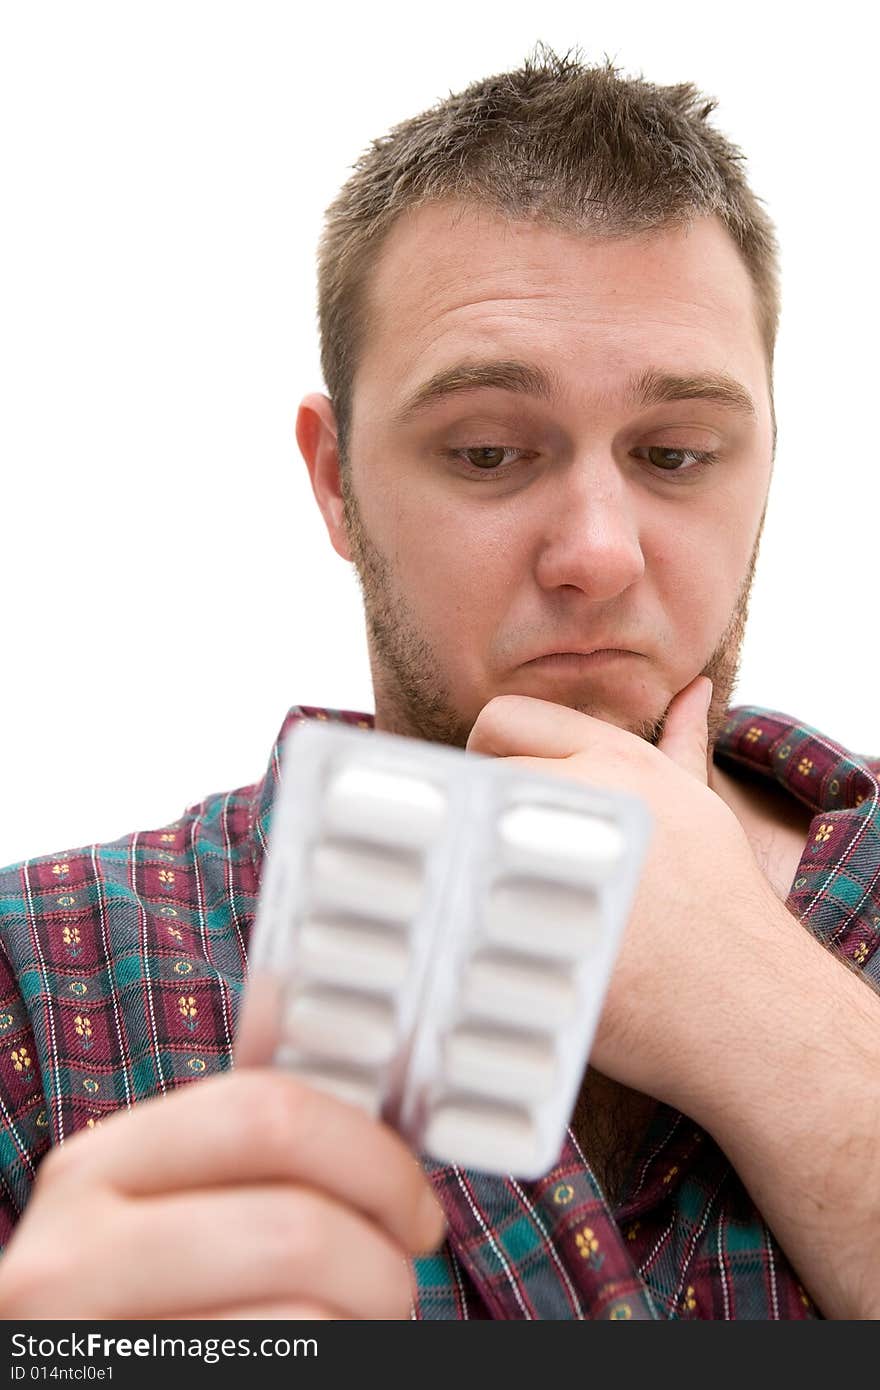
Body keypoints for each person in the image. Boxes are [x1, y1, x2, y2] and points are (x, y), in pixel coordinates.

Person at [0, 44, 878, 1322]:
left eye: (677, 454)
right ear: (337, 480)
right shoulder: (37, 980)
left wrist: (771, 1024)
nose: (594, 551)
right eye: (486, 451)